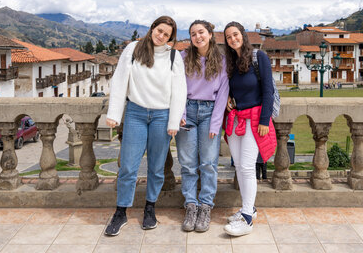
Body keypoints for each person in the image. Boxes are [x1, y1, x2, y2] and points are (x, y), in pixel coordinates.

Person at [104, 16, 187, 236]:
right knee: (129, 167)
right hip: (136, 113)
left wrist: (173, 121)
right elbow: (120, 80)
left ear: (171, 38)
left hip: (162, 116)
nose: (161, 36)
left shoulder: (173, 56)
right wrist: (114, 114)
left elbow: (179, 90)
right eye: (159, 30)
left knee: (157, 168)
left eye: (166, 34)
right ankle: (120, 212)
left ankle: (150, 208)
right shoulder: (133, 49)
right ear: (152, 29)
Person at [222, 21, 277, 237]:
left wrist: (265, 120)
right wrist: (228, 97)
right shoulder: (231, 62)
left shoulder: (258, 57)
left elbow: (268, 90)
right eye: (228, 37)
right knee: (238, 167)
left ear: (243, 35)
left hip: (255, 119)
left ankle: (246, 219)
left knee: (246, 166)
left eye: (235, 34)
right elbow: (231, 87)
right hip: (237, 119)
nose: (232, 39)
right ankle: (249, 209)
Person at [176, 20, 229, 232]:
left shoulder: (222, 61)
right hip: (186, 112)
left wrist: (216, 123)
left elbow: (223, 93)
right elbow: (176, 87)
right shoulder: (182, 58)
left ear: (210, 34)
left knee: (208, 163)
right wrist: (180, 113)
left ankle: (206, 205)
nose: (197, 36)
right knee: (188, 163)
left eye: (201, 32)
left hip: (209, 112)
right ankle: (191, 205)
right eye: (193, 33)